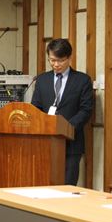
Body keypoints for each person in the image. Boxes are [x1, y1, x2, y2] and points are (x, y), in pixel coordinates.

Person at [31, 38, 93, 185]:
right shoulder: (42, 79)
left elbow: (86, 110)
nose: (56, 64)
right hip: (45, 142)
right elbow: (35, 107)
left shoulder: (82, 80)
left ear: (69, 58)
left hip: (71, 142)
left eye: (60, 60)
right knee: (43, 185)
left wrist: (66, 128)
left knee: (67, 186)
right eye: (52, 60)